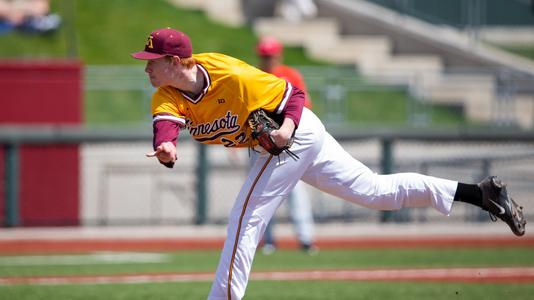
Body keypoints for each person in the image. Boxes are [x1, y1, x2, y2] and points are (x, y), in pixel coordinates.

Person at [131, 27, 526, 300]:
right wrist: (166, 148)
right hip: (278, 145)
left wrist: (285, 131)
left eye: (152, 60)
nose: (146, 66)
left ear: (175, 60)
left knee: (245, 219)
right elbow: (166, 126)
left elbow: (294, 94)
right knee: (376, 192)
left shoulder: (232, 76)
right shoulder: (167, 94)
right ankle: (480, 194)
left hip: (297, 133)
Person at [255, 36, 317, 255]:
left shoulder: (290, 76)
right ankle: (267, 240)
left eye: (270, 55)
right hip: (260, 144)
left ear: (278, 55)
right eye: (263, 55)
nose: (266, 59)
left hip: (288, 143)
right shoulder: (255, 76)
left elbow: (304, 107)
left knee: (295, 192)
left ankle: (306, 238)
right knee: (260, 193)